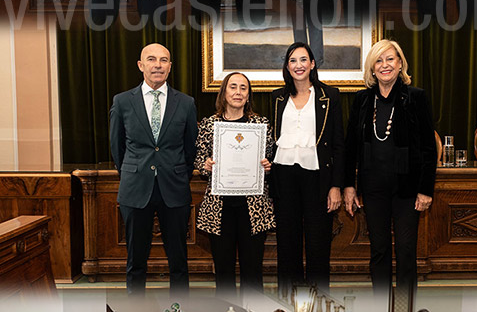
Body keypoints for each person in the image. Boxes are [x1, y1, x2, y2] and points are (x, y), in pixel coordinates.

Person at [344, 39, 437, 296]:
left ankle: (406, 311)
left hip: (407, 188)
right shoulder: (362, 100)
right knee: (379, 250)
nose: (385, 65)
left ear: (400, 64)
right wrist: (349, 186)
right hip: (373, 189)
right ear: (372, 68)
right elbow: (350, 146)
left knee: (406, 250)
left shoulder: (415, 97)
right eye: (379, 60)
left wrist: (425, 190)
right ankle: (381, 308)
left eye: (390, 59)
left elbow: (429, 147)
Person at [109, 42, 198, 292]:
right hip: (136, 189)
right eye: (151, 59)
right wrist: (133, 170)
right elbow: (117, 148)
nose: (157, 65)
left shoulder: (186, 103)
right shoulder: (123, 101)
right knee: (136, 260)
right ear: (141, 65)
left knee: (179, 261)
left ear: (170, 67)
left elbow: (190, 148)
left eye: (163, 60)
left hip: (174, 188)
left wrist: (177, 170)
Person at [271, 42, 344, 291]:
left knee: (317, 245)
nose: (298, 65)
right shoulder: (277, 98)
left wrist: (336, 186)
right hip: (284, 177)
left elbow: (338, 145)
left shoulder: (330, 96)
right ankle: (287, 304)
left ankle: (317, 303)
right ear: (287, 66)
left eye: (303, 60)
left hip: (317, 178)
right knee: (287, 244)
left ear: (312, 64)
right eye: (293, 60)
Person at [194, 72, 275, 292]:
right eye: (233, 87)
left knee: (252, 271)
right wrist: (206, 165)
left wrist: (269, 165)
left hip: (253, 207)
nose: (238, 92)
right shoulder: (210, 124)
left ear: (248, 95)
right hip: (220, 207)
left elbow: (271, 157)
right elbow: (199, 157)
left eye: (243, 88)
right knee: (223, 270)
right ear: (224, 92)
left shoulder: (261, 124)